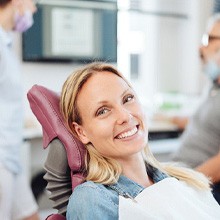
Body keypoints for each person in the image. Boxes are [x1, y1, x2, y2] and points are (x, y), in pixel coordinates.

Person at [59, 62, 220, 219]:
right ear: (81, 132)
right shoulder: (93, 200)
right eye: (103, 111)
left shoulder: (187, 180)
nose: (125, 116)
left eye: (128, 99)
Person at [169, 13, 220, 203]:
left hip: (195, 182)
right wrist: (169, 118)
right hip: (179, 169)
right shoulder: (213, 86)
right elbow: (207, 123)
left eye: (209, 39)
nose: (201, 47)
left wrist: (180, 185)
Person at [0, 0, 39, 219]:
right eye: (32, 2)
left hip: (10, 154)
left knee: (30, 215)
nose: (33, 9)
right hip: (1, 157)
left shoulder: (5, 43)